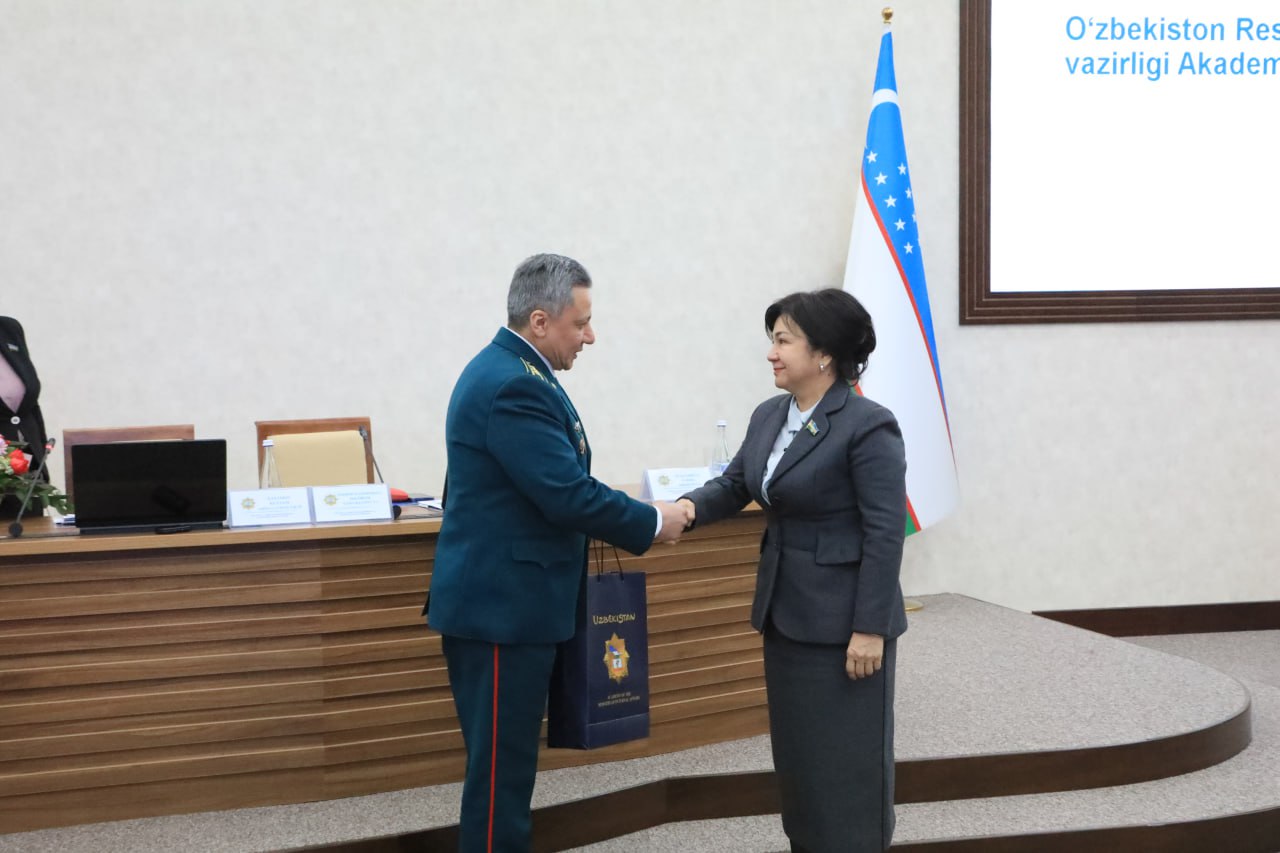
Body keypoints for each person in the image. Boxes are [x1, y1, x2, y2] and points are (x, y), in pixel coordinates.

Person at [425, 253, 687, 852]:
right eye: (581, 323)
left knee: (508, 773)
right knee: (501, 782)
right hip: (500, 613)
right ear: (540, 321)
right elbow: (566, 494)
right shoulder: (513, 383)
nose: (590, 337)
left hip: (511, 606)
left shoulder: (517, 370)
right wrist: (652, 520)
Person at [676, 288, 907, 853]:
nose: (771, 353)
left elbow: (884, 533)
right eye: (772, 340)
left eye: (783, 341)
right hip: (785, 615)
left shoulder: (868, 425)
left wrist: (870, 628)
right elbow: (735, 485)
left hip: (845, 628)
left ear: (823, 353)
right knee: (801, 762)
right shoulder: (769, 415)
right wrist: (682, 510)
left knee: (845, 765)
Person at [0, 316, 50, 517]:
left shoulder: (8, 328)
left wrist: (40, 455)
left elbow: (30, 401)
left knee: (30, 527)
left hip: (27, 467)